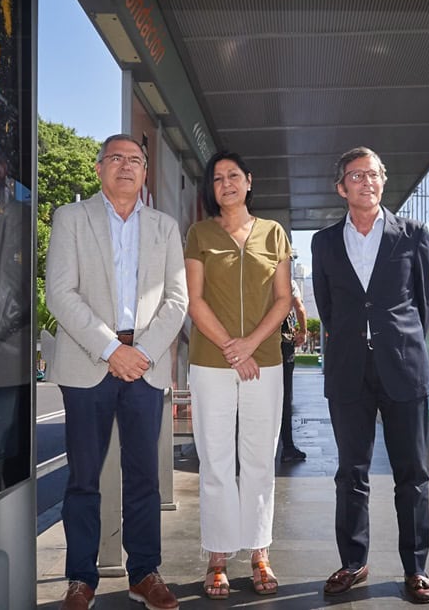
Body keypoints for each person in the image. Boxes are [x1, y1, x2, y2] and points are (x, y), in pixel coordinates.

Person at [45, 134, 187, 610]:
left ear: (146, 173)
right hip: (89, 362)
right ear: (100, 167)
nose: (126, 167)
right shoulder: (71, 218)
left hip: (144, 365)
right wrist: (111, 349)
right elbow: (60, 294)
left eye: (135, 161)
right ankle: (80, 578)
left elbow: (177, 300)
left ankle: (144, 572)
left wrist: (139, 351)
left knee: (144, 474)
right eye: (117, 159)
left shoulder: (165, 227)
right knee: (83, 476)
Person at [311, 146, 429, 605]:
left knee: (414, 474)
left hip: (403, 367)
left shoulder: (413, 234)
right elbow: (327, 308)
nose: (367, 181)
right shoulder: (323, 242)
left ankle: (416, 568)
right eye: (356, 175)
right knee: (351, 473)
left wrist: (397, 344)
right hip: (348, 371)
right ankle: (353, 562)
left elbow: (424, 304)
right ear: (341, 187)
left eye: (374, 174)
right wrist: (356, 341)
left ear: (384, 181)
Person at [184, 150, 293, 599]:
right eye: (217, 178)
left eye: (233, 176)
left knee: (258, 459)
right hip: (211, 361)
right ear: (211, 189)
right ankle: (217, 556)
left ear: (249, 181)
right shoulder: (199, 234)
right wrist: (233, 348)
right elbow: (194, 300)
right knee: (214, 459)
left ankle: (259, 551)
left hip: (263, 361)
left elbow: (283, 298)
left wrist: (250, 345)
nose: (225, 183)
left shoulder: (274, 233)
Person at [280, 279, 308, 462]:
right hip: (283, 346)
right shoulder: (287, 282)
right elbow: (299, 308)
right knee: (284, 398)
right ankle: (287, 447)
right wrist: (303, 332)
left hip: (256, 345)